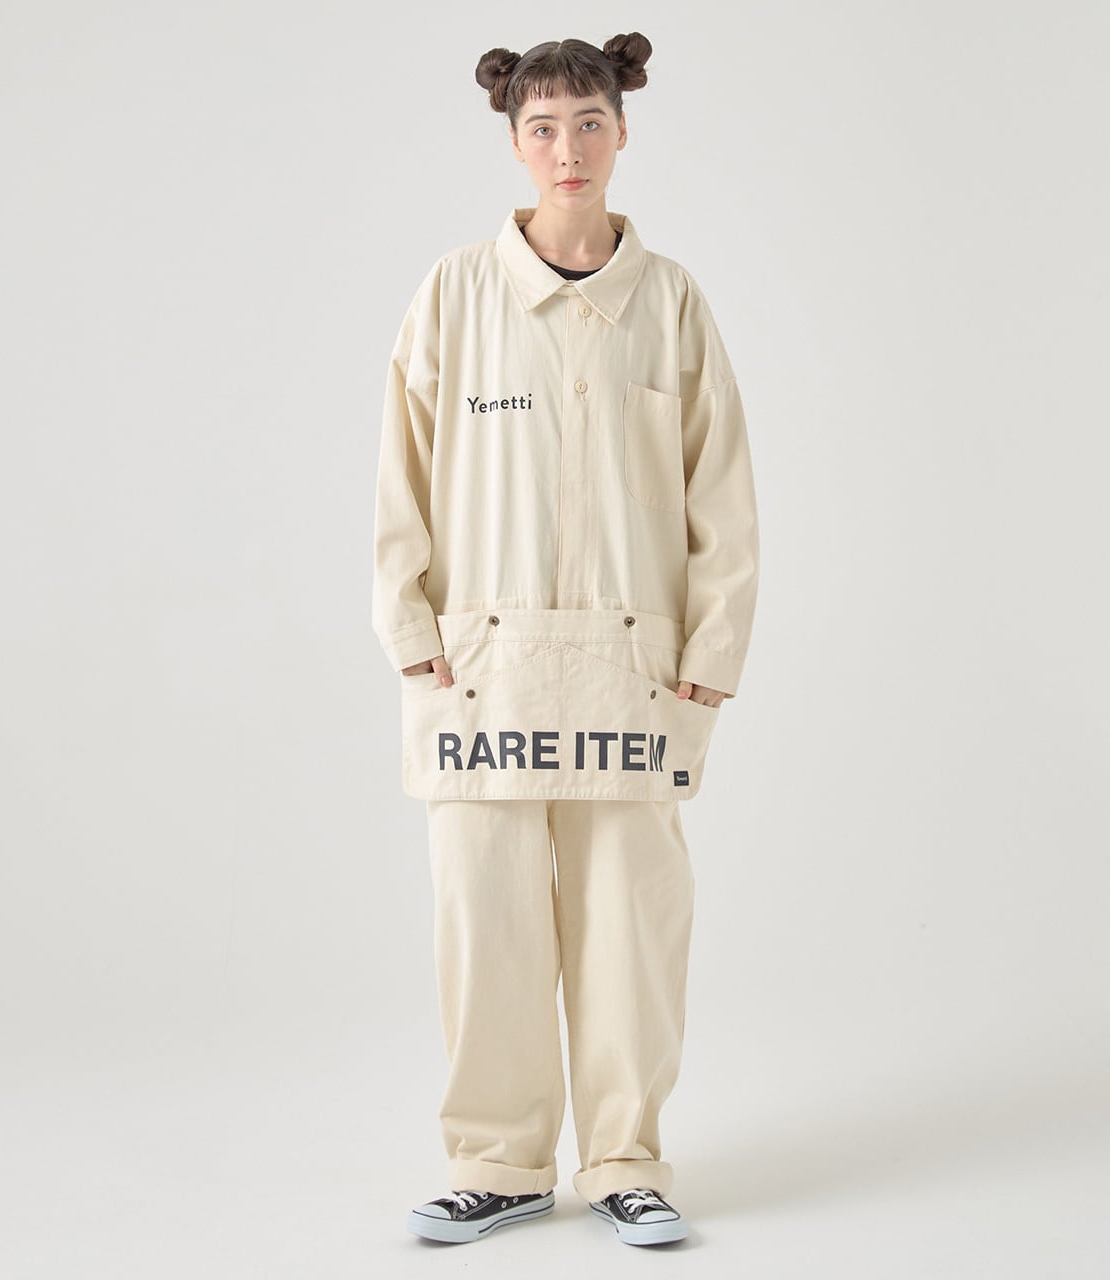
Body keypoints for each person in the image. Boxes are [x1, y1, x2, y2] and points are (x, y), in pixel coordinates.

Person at [372, 32, 760, 1247]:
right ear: (513, 142)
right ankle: (496, 1161)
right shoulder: (454, 293)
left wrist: (710, 655)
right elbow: (401, 474)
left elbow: (720, 488)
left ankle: (624, 1160)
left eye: (587, 122)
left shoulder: (670, 300)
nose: (567, 148)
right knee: (484, 920)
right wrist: (409, 629)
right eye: (542, 127)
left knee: (629, 926)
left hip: (632, 671)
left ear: (622, 130)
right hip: (478, 667)